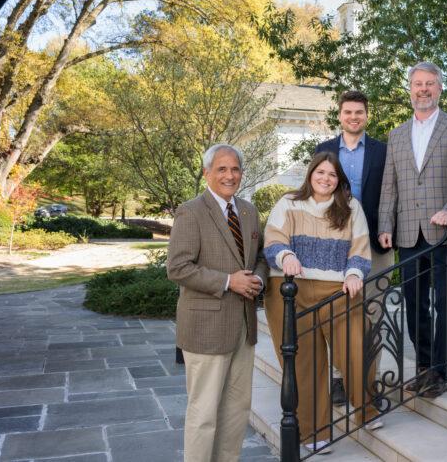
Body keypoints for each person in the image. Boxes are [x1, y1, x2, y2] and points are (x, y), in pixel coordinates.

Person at [264, 152, 381, 454]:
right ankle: (313, 432)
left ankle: (366, 409)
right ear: (311, 174)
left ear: (339, 179)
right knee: (305, 362)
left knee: (356, 346)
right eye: (321, 172)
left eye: (332, 174)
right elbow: (273, 239)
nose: (326, 179)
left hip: (338, 289)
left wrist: (355, 273)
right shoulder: (288, 202)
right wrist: (286, 255)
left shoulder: (351, 207)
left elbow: (360, 246)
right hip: (290, 290)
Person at [167, 144, 269, 461]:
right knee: (204, 413)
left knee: (237, 409)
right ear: (207, 172)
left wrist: (259, 280)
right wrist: (228, 281)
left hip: (243, 326)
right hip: (206, 328)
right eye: (222, 169)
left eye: (235, 169)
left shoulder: (249, 212)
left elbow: (262, 257)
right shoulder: (191, 211)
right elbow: (178, 268)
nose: (230, 175)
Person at [378, 62, 447, 398]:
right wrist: (385, 224)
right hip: (407, 232)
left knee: (445, 301)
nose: (423, 89)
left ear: (440, 88)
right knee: (414, 301)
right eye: (417, 84)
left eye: (430, 84)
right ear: (410, 89)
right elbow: (390, 184)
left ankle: (440, 371)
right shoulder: (397, 134)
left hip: (444, 232)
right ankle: (422, 366)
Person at [315, 90, 391, 406]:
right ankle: (338, 380)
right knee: (336, 315)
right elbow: (314, 194)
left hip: (375, 244)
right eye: (348, 112)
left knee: (373, 314)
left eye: (359, 112)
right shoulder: (324, 150)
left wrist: (387, 227)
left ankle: (368, 381)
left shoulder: (383, 151)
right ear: (340, 116)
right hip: (335, 245)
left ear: (366, 115)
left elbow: (392, 194)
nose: (353, 117)